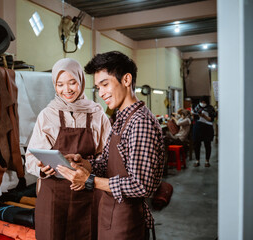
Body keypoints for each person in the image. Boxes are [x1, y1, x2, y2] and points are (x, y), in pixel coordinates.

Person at [57, 51, 165, 240]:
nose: (102, 94)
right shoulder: (120, 119)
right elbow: (106, 162)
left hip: (127, 221)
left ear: (126, 80)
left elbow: (141, 185)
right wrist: (84, 164)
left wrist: (89, 180)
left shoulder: (139, 122)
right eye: (98, 87)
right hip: (110, 212)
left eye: (105, 84)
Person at [25, 58, 111, 240]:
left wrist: (88, 166)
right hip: (54, 195)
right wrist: (41, 168)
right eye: (60, 84)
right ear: (54, 85)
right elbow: (31, 158)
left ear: (81, 81)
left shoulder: (97, 113)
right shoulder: (47, 115)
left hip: (89, 191)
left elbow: (109, 156)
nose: (67, 90)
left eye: (72, 82)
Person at [192, 97, 216, 167]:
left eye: (204, 102)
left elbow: (212, 119)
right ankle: (197, 160)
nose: (202, 103)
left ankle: (207, 161)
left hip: (207, 128)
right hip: (198, 127)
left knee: (207, 144)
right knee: (197, 144)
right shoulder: (196, 107)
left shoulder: (210, 108)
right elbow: (194, 118)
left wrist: (204, 116)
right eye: (201, 102)